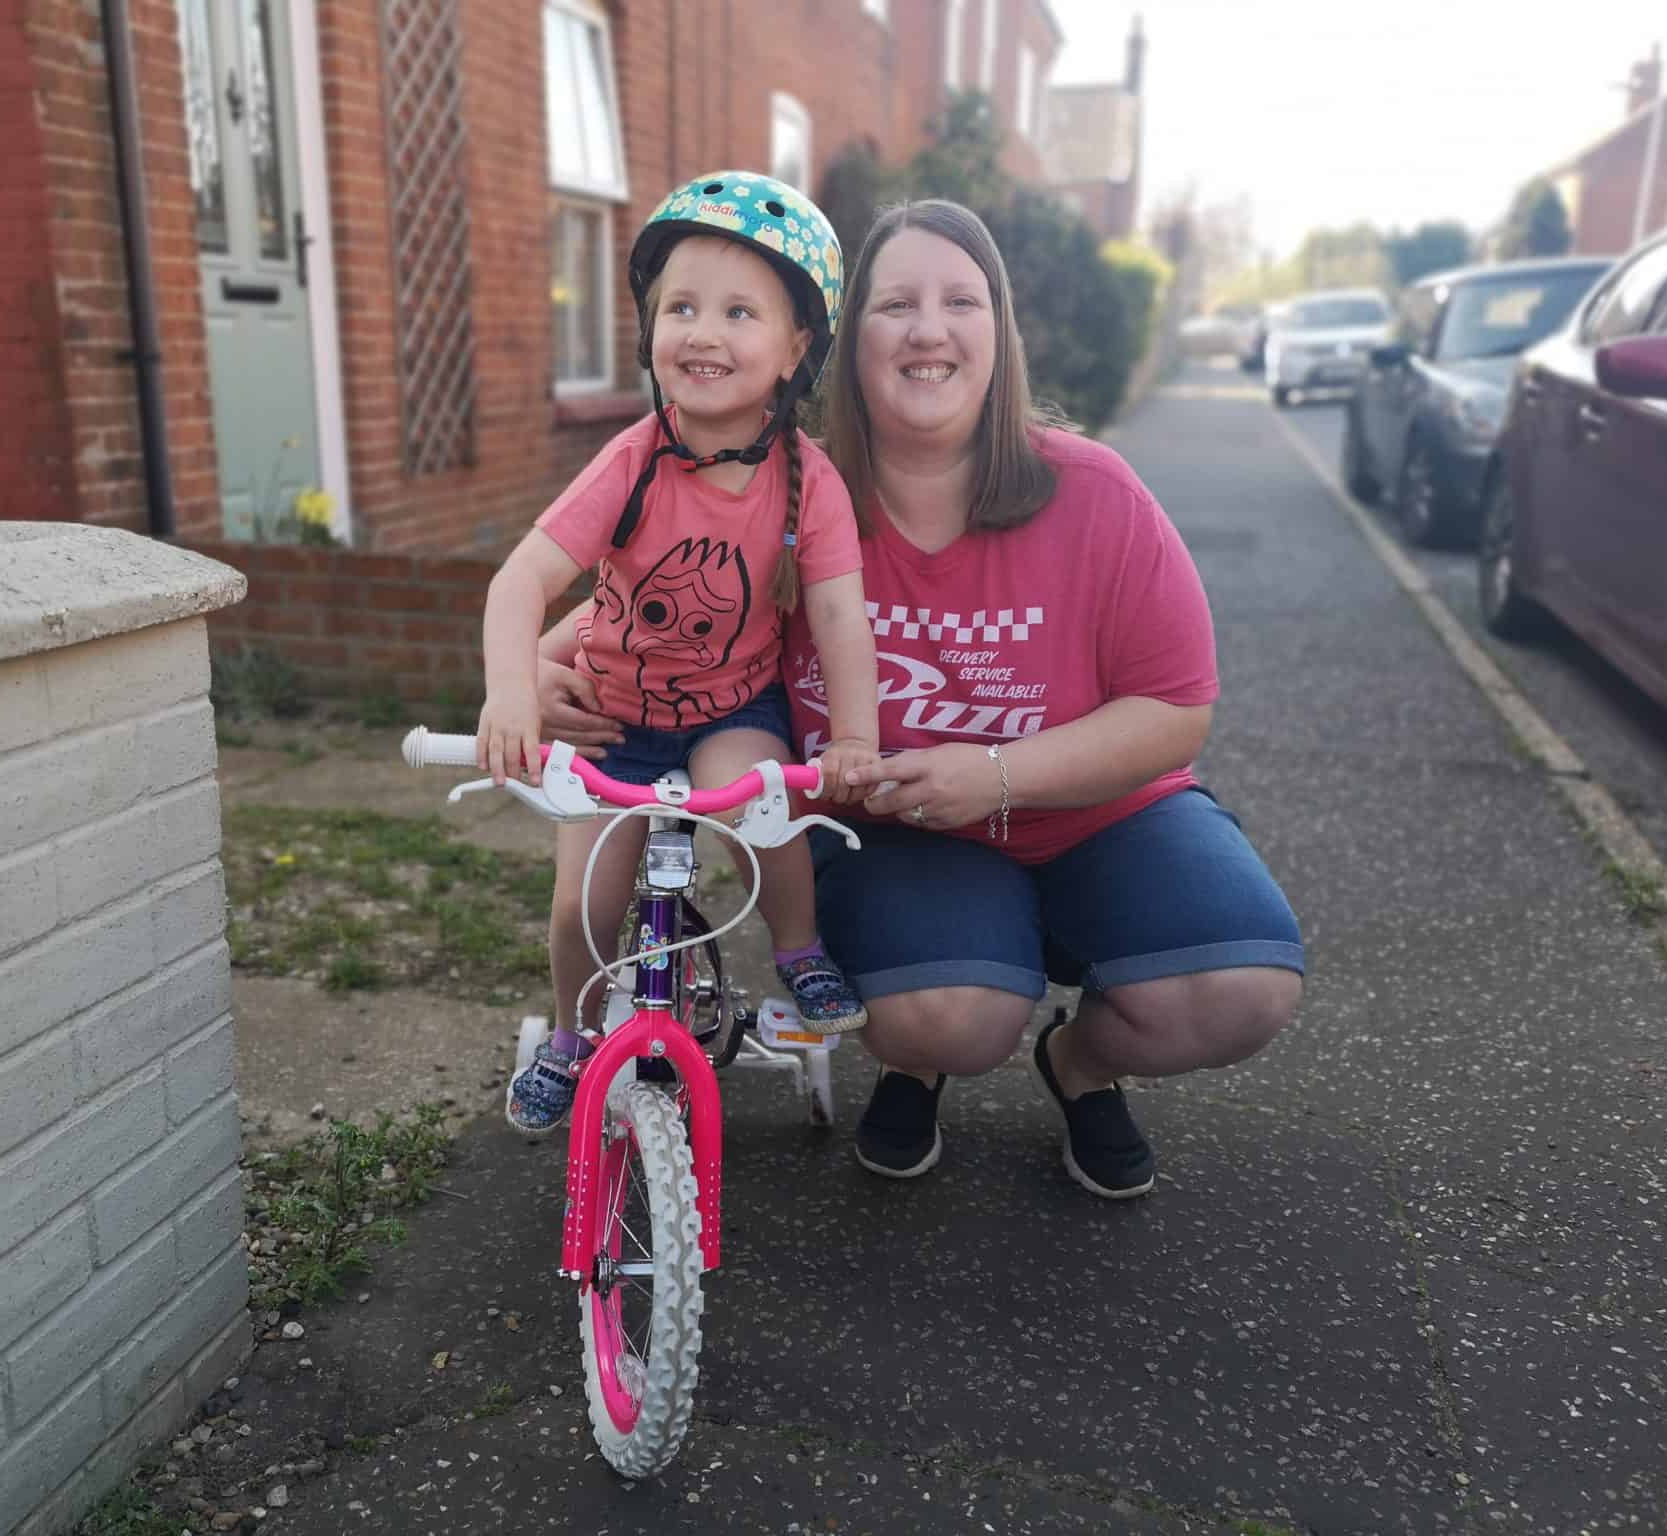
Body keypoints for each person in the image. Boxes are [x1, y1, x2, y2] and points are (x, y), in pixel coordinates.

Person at [540, 199, 1303, 1192]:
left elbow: (1174, 709)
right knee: (947, 1013)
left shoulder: (1097, 495)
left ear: (999, 332)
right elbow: (638, 593)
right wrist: (551, 667)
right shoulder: (785, 495)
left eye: (960, 301)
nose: (927, 329)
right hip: (893, 835)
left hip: (1095, 819)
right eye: (894, 303)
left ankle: (1079, 1067)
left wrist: (994, 773)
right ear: (843, 343)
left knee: (1238, 990)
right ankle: (917, 1059)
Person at [479, 171, 882, 1135]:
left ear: (794, 352)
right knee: (585, 901)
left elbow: (837, 618)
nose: (702, 331)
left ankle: (796, 951)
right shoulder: (631, 459)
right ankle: (574, 1045)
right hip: (617, 720)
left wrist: (855, 739)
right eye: (681, 308)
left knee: (765, 809)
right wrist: (512, 694)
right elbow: (518, 582)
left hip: (731, 709)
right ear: (651, 328)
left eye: (739, 312)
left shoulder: (807, 480)